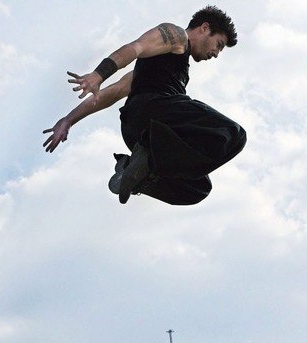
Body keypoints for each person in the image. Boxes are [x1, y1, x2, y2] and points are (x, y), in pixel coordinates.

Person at [43, 5, 246, 205]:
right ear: (204, 28)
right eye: (218, 44)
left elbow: (113, 93)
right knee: (233, 133)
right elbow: (136, 47)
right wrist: (98, 74)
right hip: (155, 110)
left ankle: (133, 172)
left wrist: (69, 120)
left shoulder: (153, 71)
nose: (216, 53)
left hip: (135, 127)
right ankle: (147, 161)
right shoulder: (176, 36)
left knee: (197, 188)